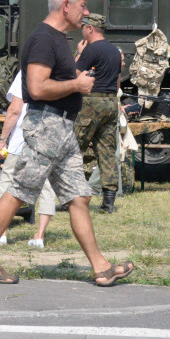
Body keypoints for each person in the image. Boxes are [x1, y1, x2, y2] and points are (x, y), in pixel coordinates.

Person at [0, 0, 134, 286]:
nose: (86, 12)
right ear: (66, 5)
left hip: (61, 129)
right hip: (46, 127)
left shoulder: (59, 39)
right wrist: (76, 84)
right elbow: (35, 87)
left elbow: (54, 78)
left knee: (79, 197)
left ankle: (101, 268)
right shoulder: (44, 39)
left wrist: (76, 76)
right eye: (83, 5)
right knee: (19, 191)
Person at [0, 70, 58, 248]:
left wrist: (3, 139)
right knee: (46, 186)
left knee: (7, 183)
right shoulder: (60, 71)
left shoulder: (27, 72)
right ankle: (39, 236)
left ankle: (1, 234)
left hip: (21, 139)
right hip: (48, 137)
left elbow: (15, 110)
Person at [74, 13, 123, 213]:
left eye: (84, 27)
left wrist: (79, 53)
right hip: (112, 102)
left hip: (91, 102)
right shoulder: (114, 50)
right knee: (107, 151)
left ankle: (72, 197)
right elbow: (118, 81)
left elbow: (74, 75)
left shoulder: (91, 49)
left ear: (90, 29)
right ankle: (108, 202)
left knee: (74, 149)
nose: (82, 30)